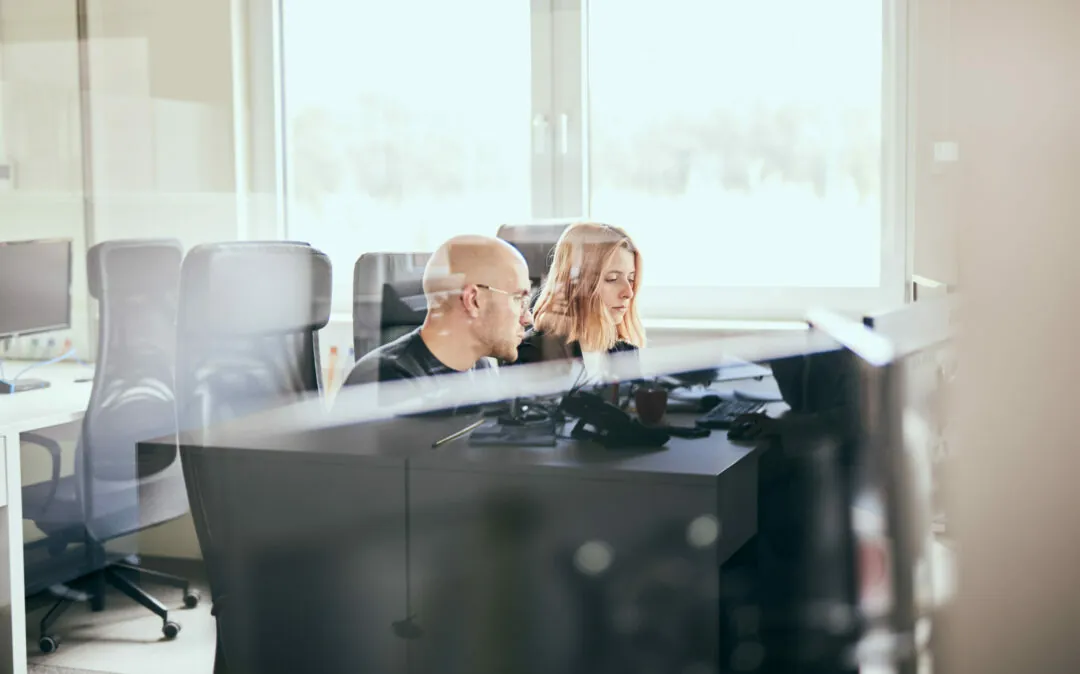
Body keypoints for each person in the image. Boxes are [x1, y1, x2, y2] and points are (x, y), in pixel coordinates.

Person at [342, 235, 533, 391]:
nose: (528, 318)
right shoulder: (388, 381)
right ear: (473, 300)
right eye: (518, 299)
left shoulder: (480, 370)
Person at [514, 222, 645, 380]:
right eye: (612, 279)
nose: (628, 293)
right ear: (576, 282)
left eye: (631, 278)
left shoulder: (625, 353)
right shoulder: (531, 354)